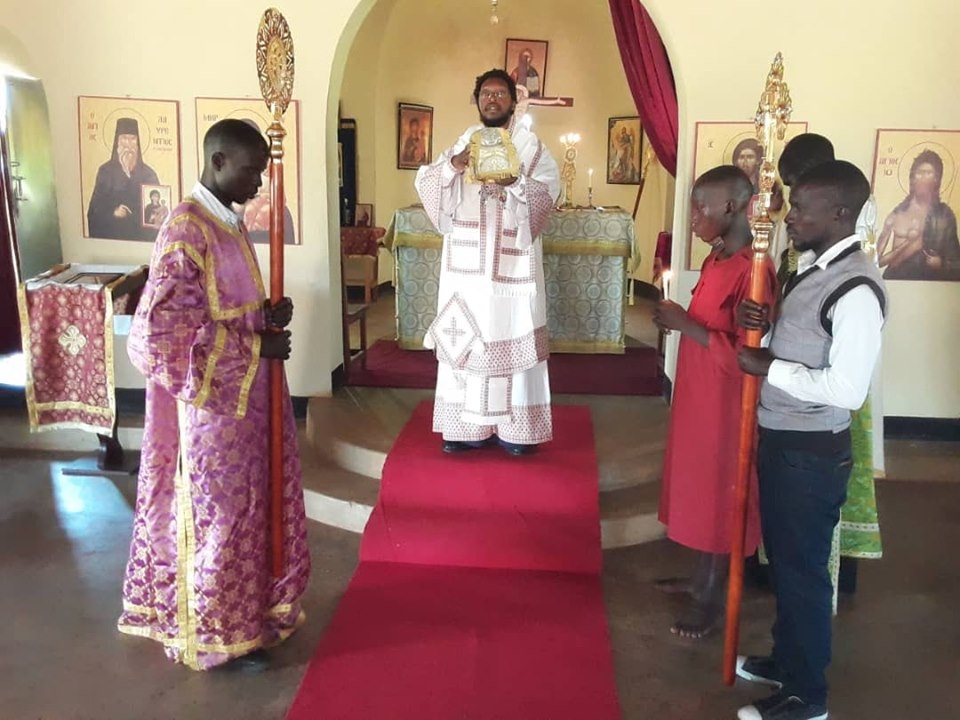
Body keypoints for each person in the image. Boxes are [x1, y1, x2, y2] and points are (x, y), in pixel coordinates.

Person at [117, 118, 310, 671]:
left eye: (263, 173)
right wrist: (255, 351)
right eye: (252, 172)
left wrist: (264, 316)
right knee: (221, 521)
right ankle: (216, 633)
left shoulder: (227, 221)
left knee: (249, 514)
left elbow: (219, 309)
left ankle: (250, 619)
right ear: (219, 161)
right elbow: (157, 338)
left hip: (246, 407)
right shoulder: (186, 229)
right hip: (211, 417)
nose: (259, 184)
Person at [736, 160, 887, 720]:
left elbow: (846, 389)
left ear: (840, 213)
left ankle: (807, 697)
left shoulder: (856, 289)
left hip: (810, 451)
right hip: (785, 438)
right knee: (788, 564)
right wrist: (765, 322)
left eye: (801, 208)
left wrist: (768, 365)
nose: (789, 216)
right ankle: (786, 659)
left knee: (801, 573)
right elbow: (803, 339)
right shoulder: (811, 267)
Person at [653, 165, 777, 639]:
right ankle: (699, 577)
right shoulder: (718, 258)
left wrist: (686, 325)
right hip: (699, 394)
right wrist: (678, 322)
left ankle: (711, 597)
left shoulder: (754, 270)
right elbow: (707, 326)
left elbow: (750, 354)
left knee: (723, 492)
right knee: (700, 489)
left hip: (729, 402)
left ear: (730, 207)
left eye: (700, 207)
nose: (694, 218)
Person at [414, 68, 560, 456]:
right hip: (466, 269)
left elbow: (548, 195)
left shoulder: (533, 148)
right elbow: (427, 184)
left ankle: (516, 431)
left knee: (512, 336)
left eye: (500, 94)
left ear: (514, 101)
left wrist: (515, 184)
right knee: (466, 340)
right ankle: (465, 429)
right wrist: (453, 166)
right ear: (477, 101)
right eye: (485, 95)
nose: (492, 100)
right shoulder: (463, 142)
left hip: (513, 269)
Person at [877, 148, 960, 280]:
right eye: (919, 173)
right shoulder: (898, 213)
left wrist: (941, 264)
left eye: (928, 173)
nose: (922, 177)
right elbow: (875, 261)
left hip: (930, 285)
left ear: (936, 179)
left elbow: (956, 262)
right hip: (895, 280)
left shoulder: (944, 215)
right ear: (912, 178)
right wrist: (909, 244)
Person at [87, 117, 161, 241]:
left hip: (140, 240)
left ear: (138, 143)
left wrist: (128, 175)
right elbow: (94, 212)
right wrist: (113, 212)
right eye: (124, 139)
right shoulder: (105, 172)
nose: (128, 145)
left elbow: (155, 215)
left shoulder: (149, 174)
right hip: (111, 238)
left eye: (132, 139)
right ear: (117, 142)